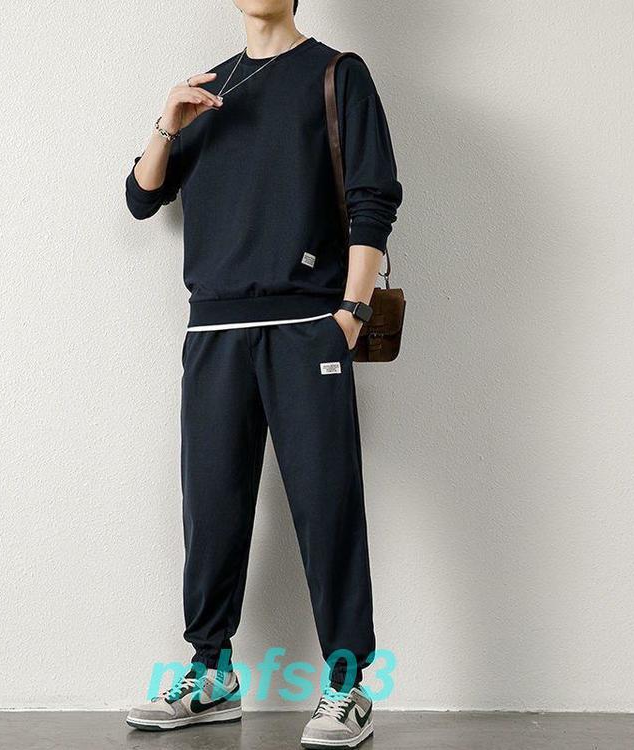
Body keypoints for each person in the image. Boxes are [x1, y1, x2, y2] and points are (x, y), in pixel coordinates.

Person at [124, 1, 402, 746]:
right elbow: (142, 198)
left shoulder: (337, 74)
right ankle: (211, 672)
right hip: (213, 329)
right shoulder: (208, 89)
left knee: (326, 504)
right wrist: (167, 122)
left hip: (306, 326)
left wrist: (350, 312)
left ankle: (347, 685)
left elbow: (373, 199)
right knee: (211, 505)